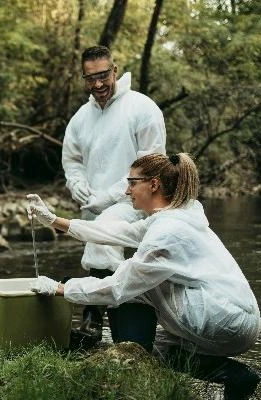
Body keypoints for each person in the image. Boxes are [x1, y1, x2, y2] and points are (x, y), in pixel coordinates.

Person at [27, 153, 261, 399]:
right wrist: (55, 221)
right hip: (230, 316)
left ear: (154, 184)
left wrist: (62, 289)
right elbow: (119, 232)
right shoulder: (174, 217)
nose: (127, 191)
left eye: (132, 182)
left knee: (130, 281)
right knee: (153, 350)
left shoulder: (167, 232)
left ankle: (128, 372)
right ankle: (234, 376)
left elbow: (118, 287)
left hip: (225, 320)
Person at [61, 45, 166, 338]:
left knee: (104, 236)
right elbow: (71, 160)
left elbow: (152, 162)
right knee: (100, 240)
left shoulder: (142, 108)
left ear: (115, 70)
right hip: (92, 205)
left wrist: (109, 196)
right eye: (90, 77)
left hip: (136, 203)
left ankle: (95, 320)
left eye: (103, 75)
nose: (97, 84)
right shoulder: (81, 118)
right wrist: (77, 184)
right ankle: (104, 325)